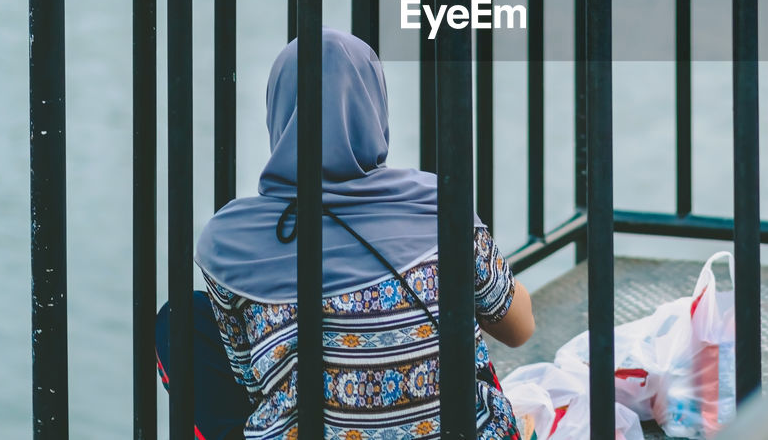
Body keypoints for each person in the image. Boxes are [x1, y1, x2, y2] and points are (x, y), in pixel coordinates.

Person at [162, 28, 534, 440]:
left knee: (177, 321)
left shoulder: (228, 243)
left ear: (277, 113)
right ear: (375, 108)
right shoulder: (437, 205)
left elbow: (251, 382)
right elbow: (519, 329)